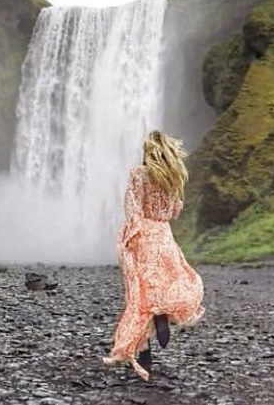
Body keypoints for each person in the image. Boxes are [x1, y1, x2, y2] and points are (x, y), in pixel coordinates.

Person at [102, 130, 205, 381]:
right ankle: (161, 319)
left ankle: (143, 355)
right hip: (164, 235)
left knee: (140, 294)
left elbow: (133, 209)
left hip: (144, 235)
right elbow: (174, 212)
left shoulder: (138, 174)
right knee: (165, 284)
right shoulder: (173, 178)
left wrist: (129, 239)